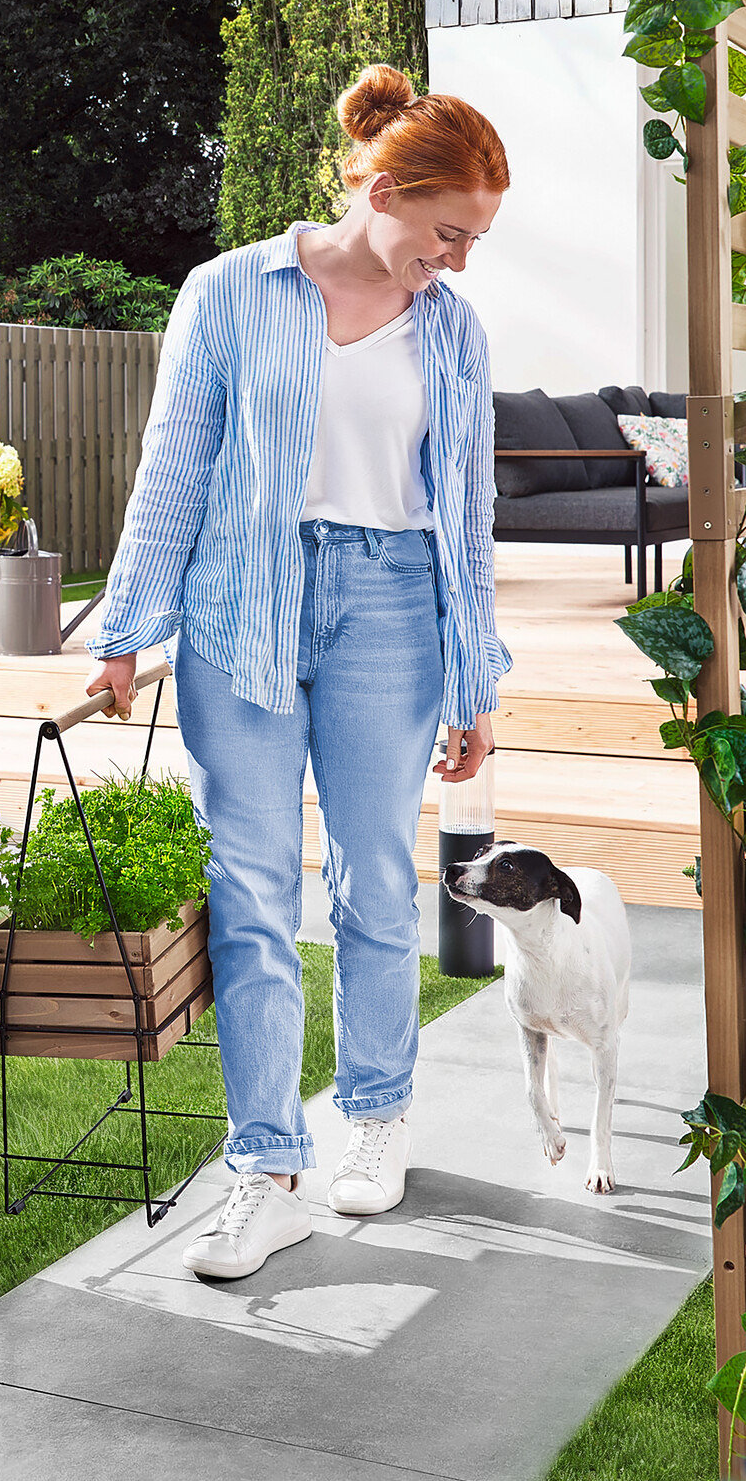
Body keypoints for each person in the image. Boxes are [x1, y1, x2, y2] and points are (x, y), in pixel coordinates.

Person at [85, 64, 508, 1280]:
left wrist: (476, 675)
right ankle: (265, 1167)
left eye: (475, 239)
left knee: (376, 876)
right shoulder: (228, 292)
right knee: (251, 888)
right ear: (379, 189)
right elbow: (176, 464)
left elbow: (466, 513)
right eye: (448, 232)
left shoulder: (454, 332)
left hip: (392, 609)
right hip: (242, 607)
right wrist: (126, 624)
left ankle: (375, 1114)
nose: (460, 260)